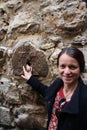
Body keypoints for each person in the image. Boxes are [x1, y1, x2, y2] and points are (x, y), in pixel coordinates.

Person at [21, 46, 87, 130]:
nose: (66, 72)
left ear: (80, 68)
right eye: (62, 66)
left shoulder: (84, 98)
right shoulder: (57, 85)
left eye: (72, 67)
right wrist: (30, 78)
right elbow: (46, 92)